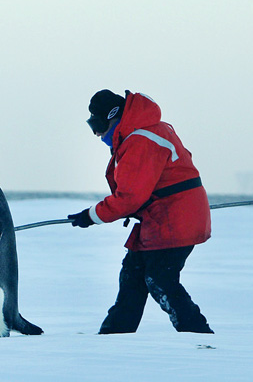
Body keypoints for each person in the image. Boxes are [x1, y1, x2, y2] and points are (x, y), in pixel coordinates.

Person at [68, 89, 214, 334]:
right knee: (133, 277)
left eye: (98, 124)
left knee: (160, 279)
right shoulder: (143, 132)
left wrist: (91, 216)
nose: (97, 133)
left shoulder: (141, 139)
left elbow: (129, 198)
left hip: (175, 220)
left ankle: (197, 336)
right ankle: (114, 336)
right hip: (160, 219)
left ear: (113, 116)